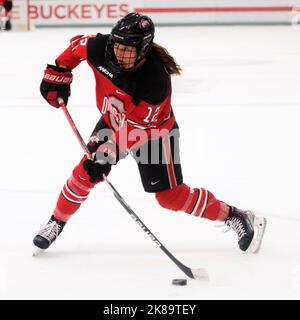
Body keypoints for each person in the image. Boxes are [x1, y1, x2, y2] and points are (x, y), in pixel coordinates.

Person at [33, 12, 266, 254]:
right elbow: (74, 48)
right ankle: (56, 222)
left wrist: (105, 154)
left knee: (170, 198)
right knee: (85, 173)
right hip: (115, 119)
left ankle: (235, 215)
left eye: (128, 50)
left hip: (154, 134)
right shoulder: (100, 47)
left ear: (143, 50)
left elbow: (134, 131)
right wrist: (58, 74)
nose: (119, 53)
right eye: (118, 45)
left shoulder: (155, 83)